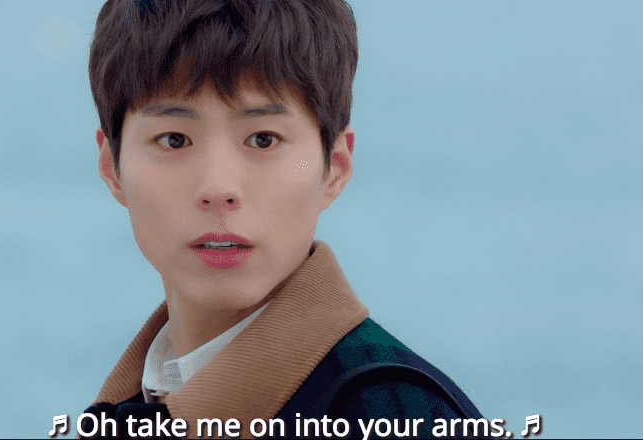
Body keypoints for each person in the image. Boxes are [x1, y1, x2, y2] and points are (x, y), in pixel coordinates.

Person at [81, 0, 487, 438]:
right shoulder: (130, 408)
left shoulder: (401, 417)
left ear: (335, 167)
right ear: (111, 167)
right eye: (174, 140)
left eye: (263, 139)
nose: (218, 188)